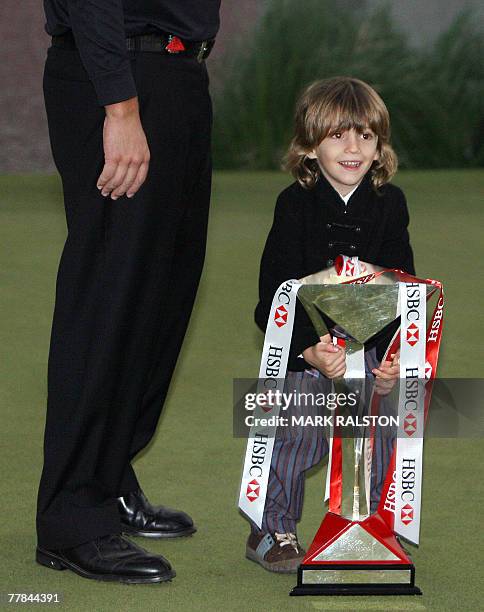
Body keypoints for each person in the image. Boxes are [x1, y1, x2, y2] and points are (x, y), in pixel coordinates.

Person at [36, 1, 220, 584]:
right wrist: (120, 105)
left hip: (176, 74)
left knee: (162, 294)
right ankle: (73, 518)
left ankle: (109, 475)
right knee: (109, 296)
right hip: (117, 79)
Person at [246, 77, 415, 573]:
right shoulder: (293, 205)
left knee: (381, 428)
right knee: (297, 431)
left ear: (380, 147)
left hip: (369, 350)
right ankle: (271, 528)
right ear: (309, 146)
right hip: (308, 351)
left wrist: (393, 355)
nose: (353, 147)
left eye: (365, 136)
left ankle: (370, 527)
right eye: (338, 135)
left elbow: (401, 289)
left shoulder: (391, 204)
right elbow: (272, 298)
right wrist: (307, 350)